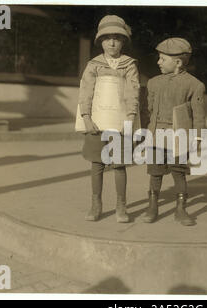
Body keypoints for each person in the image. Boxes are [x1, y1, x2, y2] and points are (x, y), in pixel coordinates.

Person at [78, 15, 140, 222]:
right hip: (98, 122)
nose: (112, 42)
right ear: (100, 41)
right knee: (97, 164)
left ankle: (121, 206)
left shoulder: (129, 65)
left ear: (123, 41)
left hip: (120, 123)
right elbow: (85, 92)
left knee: (119, 164)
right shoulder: (93, 65)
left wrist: (130, 117)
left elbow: (133, 91)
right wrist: (86, 117)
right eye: (107, 38)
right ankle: (96, 204)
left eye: (117, 38)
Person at [142, 38, 206, 226]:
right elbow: (150, 111)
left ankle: (180, 208)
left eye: (162, 59)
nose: (158, 62)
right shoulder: (153, 83)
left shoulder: (195, 85)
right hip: (156, 135)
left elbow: (199, 116)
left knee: (179, 172)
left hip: (179, 136)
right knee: (155, 172)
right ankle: (152, 206)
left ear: (177, 62)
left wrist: (197, 138)